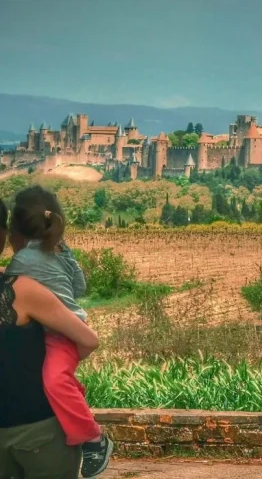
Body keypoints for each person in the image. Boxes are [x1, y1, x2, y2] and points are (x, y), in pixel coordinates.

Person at [5, 186, 113, 478]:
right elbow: (79, 289)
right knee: (57, 380)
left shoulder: (20, 271)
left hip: (59, 334)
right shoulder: (56, 255)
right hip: (67, 328)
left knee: (55, 381)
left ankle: (94, 439)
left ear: (13, 232)